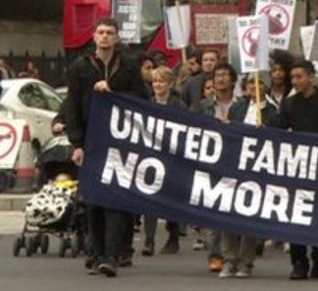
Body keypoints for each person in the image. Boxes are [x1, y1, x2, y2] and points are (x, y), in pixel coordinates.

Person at [64, 18, 148, 277]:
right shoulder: (81, 66)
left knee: (114, 200)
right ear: (93, 36)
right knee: (93, 202)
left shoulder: (128, 65)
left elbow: (142, 99)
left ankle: (111, 256)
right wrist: (76, 143)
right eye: (100, 32)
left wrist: (113, 91)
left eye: (109, 33)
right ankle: (96, 253)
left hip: (120, 142)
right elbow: (73, 105)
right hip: (91, 142)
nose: (104, 37)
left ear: (117, 37)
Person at [278, 61, 318, 280]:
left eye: (299, 77)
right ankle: (298, 262)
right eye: (293, 78)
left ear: (311, 77)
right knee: (295, 217)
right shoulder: (288, 104)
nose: (295, 82)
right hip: (296, 169)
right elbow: (276, 129)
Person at [220, 73, 278, 279]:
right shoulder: (237, 108)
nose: (254, 86)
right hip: (234, 166)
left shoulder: (272, 112)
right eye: (251, 82)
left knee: (249, 213)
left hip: (257, 170)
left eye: (259, 82)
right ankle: (228, 259)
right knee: (228, 213)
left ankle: (245, 261)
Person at [193, 62, 238, 273]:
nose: (220, 79)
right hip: (210, 162)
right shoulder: (203, 106)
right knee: (211, 208)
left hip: (235, 162)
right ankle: (215, 254)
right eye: (217, 75)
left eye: (225, 75)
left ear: (233, 79)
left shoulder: (242, 106)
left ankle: (232, 252)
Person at [142, 66, 187, 256]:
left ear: (170, 84)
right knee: (149, 198)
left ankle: (173, 236)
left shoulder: (178, 106)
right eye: (155, 81)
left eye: (161, 81)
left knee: (171, 199)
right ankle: (149, 240)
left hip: (172, 158)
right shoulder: (146, 103)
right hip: (151, 157)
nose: (158, 85)